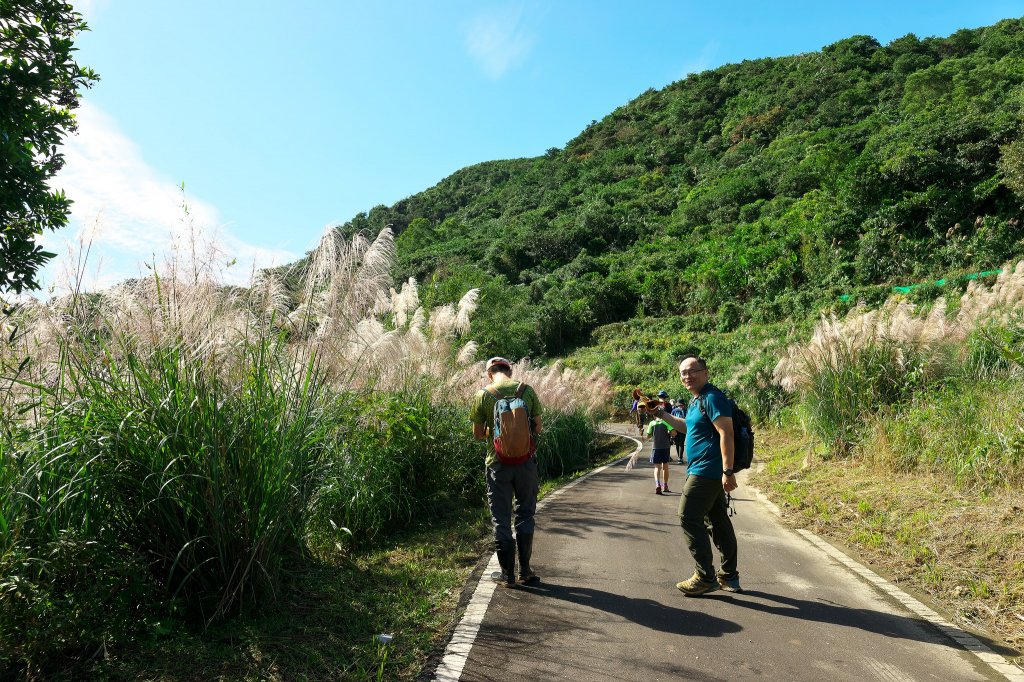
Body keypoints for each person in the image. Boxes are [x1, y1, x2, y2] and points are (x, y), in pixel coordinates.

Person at [647, 354, 741, 596]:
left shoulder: (712, 397)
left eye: (692, 371)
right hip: (704, 469)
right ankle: (728, 576)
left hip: (706, 471)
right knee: (718, 521)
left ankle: (705, 576)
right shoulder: (697, 400)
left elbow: (726, 433)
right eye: (683, 373)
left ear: (706, 372)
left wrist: (727, 471)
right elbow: (688, 427)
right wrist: (661, 415)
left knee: (688, 516)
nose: (687, 376)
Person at [470, 357, 544, 587]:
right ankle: (525, 570)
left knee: (501, 519)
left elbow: (477, 434)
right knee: (525, 514)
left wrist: (497, 433)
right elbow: (538, 427)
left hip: (497, 464)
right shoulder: (527, 391)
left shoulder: (483, 394)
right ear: (509, 371)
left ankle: (507, 575)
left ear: (490, 373)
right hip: (526, 463)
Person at [645, 411, 675, 494]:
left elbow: (648, 436)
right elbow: (674, 433)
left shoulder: (652, 423)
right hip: (665, 447)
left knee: (657, 468)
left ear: (654, 416)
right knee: (665, 467)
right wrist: (670, 433)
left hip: (656, 447)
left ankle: (658, 484)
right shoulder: (666, 422)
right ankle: (665, 486)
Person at [671, 397, 687, 464]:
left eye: (681, 405)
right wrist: (671, 429)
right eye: (679, 405)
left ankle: (680, 457)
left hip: (683, 429)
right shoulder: (674, 411)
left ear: (684, 405)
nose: (680, 407)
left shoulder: (686, 411)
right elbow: (671, 419)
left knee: (681, 443)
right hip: (676, 429)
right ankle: (679, 456)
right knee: (677, 443)